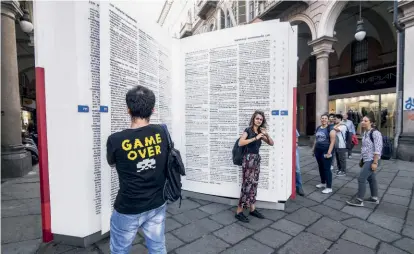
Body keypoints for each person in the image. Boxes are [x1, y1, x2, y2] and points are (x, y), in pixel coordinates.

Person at [106, 85, 168, 254]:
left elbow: (112, 163)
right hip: (157, 203)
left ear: (128, 109)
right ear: (153, 109)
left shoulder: (115, 140)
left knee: (120, 250)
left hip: (129, 206)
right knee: (158, 247)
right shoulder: (162, 132)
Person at [235, 110, 274, 223]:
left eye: (261, 119)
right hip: (248, 159)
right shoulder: (248, 130)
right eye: (257, 118)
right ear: (253, 119)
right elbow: (240, 143)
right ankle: (239, 211)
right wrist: (255, 138)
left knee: (254, 184)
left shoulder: (260, 133)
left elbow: (271, 143)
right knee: (246, 184)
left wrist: (266, 134)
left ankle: (252, 209)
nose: (259, 120)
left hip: (256, 159)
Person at [346, 115, 382, 207]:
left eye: (365, 121)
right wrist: (362, 159)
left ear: (371, 123)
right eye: (362, 120)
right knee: (371, 178)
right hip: (366, 159)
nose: (362, 122)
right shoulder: (366, 132)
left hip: (372, 159)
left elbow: (378, 149)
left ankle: (359, 200)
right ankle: (374, 198)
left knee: (361, 178)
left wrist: (374, 162)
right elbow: (365, 148)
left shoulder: (375, 133)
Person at [312, 114, 336, 194]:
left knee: (326, 168)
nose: (324, 120)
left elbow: (332, 142)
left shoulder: (330, 129)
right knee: (321, 167)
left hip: (326, 150)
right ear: (320, 119)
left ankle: (329, 187)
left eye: (325, 118)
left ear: (328, 120)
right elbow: (316, 139)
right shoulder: (318, 128)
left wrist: (329, 152)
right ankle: (323, 183)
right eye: (322, 118)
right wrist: (313, 149)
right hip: (318, 150)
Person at [296, 129, 305, 196]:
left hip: (293, 149)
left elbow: (296, 137)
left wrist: (296, 143)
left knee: (297, 169)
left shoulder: (291, 125)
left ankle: (299, 186)